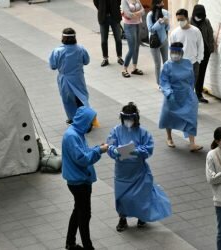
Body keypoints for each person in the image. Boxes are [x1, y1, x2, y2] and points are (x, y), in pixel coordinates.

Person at [107, 102, 172, 232]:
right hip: (122, 172)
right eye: (126, 119)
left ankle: (141, 217)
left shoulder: (143, 133)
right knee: (123, 197)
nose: (128, 121)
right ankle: (122, 218)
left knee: (141, 195)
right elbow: (109, 146)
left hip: (138, 171)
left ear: (136, 119)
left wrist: (137, 151)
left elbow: (149, 148)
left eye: (130, 119)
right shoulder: (115, 131)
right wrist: (114, 150)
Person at [62, 106, 109, 250]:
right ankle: (88, 246)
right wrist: (99, 151)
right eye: (90, 123)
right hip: (79, 182)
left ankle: (70, 243)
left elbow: (83, 151)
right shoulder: (72, 136)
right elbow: (82, 158)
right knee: (85, 215)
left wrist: (96, 148)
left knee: (78, 211)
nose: (91, 126)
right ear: (84, 121)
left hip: (78, 180)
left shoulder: (76, 133)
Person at [159, 42, 203, 152]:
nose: (174, 54)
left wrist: (191, 92)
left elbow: (192, 79)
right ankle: (169, 138)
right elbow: (164, 81)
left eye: (177, 52)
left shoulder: (188, 63)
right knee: (168, 116)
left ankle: (192, 143)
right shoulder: (167, 65)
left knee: (191, 117)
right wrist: (168, 93)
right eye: (172, 52)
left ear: (181, 53)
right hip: (172, 95)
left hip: (187, 94)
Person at [49, 28, 90, 124]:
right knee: (82, 98)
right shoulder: (81, 49)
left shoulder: (57, 51)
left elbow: (53, 66)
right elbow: (86, 61)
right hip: (78, 77)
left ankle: (72, 117)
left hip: (64, 79)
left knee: (67, 99)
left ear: (63, 37)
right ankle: (86, 119)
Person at [169, 8, 204, 91]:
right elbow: (171, 50)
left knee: (191, 87)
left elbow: (200, 46)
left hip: (193, 63)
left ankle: (188, 102)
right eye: (178, 20)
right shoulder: (174, 33)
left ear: (187, 18)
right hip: (180, 64)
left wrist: (198, 60)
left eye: (182, 19)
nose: (180, 21)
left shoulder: (196, 31)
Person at [190, 4, 214, 103]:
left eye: (201, 15)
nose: (199, 17)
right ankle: (190, 94)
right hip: (193, 53)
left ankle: (199, 94)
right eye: (198, 15)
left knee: (201, 73)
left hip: (205, 52)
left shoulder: (206, 21)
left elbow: (210, 34)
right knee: (192, 74)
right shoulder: (189, 22)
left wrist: (210, 48)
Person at [93, 0, 124, 67]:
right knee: (104, 40)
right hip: (103, 17)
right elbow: (96, 2)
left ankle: (119, 57)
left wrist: (115, 8)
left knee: (118, 39)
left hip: (115, 17)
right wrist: (102, 9)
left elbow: (119, 2)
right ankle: (105, 58)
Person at [146, 0, 169, 87]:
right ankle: (159, 83)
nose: (163, 4)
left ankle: (166, 81)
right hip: (154, 42)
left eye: (163, 2)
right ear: (156, 4)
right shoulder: (150, 15)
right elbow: (151, 29)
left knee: (166, 63)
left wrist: (166, 23)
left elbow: (168, 28)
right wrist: (159, 22)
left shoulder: (165, 12)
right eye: (161, 3)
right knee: (158, 64)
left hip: (164, 41)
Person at [121, 0, 145, 78]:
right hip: (129, 26)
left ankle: (134, 68)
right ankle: (124, 69)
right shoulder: (124, 1)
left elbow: (143, 11)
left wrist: (134, 14)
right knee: (132, 49)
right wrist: (138, 13)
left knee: (137, 47)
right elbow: (128, 14)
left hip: (138, 24)